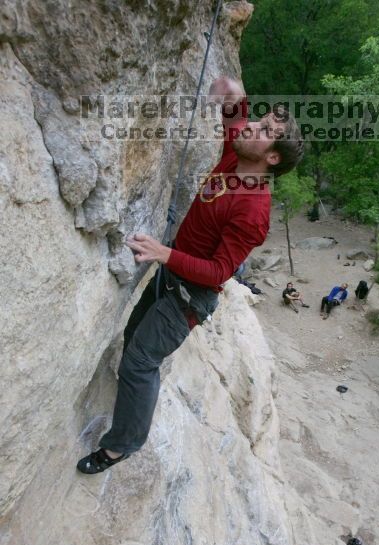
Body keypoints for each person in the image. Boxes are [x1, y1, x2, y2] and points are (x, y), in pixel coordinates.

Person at [77, 76, 304, 474]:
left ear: (273, 158)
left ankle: (122, 445)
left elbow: (220, 271)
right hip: (173, 276)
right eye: (261, 120)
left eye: (265, 130)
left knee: (139, 362)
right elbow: (236, 113)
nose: (253, 126)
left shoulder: (253, 211)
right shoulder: (238, 157)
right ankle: (134, 393)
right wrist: (234, 92)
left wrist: (165, 253)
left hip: (190, 297)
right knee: (134, 337)